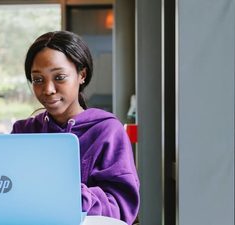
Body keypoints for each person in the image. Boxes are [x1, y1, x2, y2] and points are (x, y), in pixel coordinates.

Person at [11, 31, 139, 225]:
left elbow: (121, 206)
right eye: (38, 79)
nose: (48, 89)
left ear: (82, 75)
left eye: (59, 77)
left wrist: (66, 194)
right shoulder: (24, 131)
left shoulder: (107, 131)